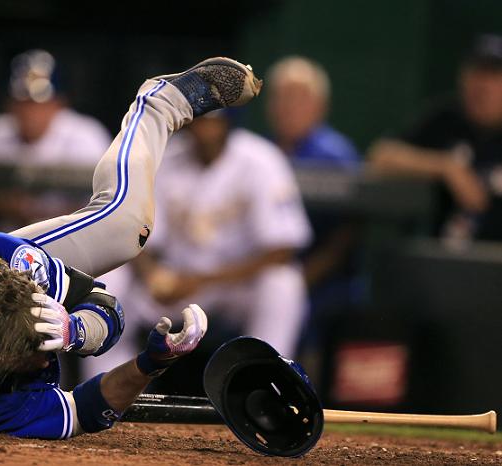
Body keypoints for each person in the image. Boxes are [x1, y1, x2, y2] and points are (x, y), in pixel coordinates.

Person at [0, 57, 262, 438]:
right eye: (35, 355)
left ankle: (159, 102)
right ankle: (159, 105)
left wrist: (76, 329)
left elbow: (100, 302)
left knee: (124, 229)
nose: (46, 363)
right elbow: (89, 399)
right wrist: (128, 355)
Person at [83, 109, 312, 383]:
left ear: (230, 122)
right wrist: (152, 273)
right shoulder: (166, 159)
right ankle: (105, 389)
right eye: (201, 121)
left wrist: (202, 281)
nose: (206, 129)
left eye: (214, 122)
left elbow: (282, 249)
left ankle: (265, 387)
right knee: (111, 278)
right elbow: (135, 236)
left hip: (234, 288)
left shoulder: (261, 160)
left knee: (283, 283)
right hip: (173, 284)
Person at [369, 34, 502, 243]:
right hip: (441, 261)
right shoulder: (446, 119)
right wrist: (445, 167)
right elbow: (381, 156)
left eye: (493, 75)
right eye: (476, 73)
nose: (482, 86)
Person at [265, 56, 363, 320]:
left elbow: (347, 234)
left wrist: (303, 279)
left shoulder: (336, 154)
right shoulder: (260, 153)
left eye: (298, 97)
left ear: (320, 106)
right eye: (281, 97)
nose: (287, 106)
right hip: (264, 273)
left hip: (327, 281)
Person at [0, 49, 111, 167]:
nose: (29, 111)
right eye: (22, 101)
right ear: (8, 104)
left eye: (38, 102)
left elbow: (103, 196)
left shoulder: (86, 136)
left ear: (59, 103)